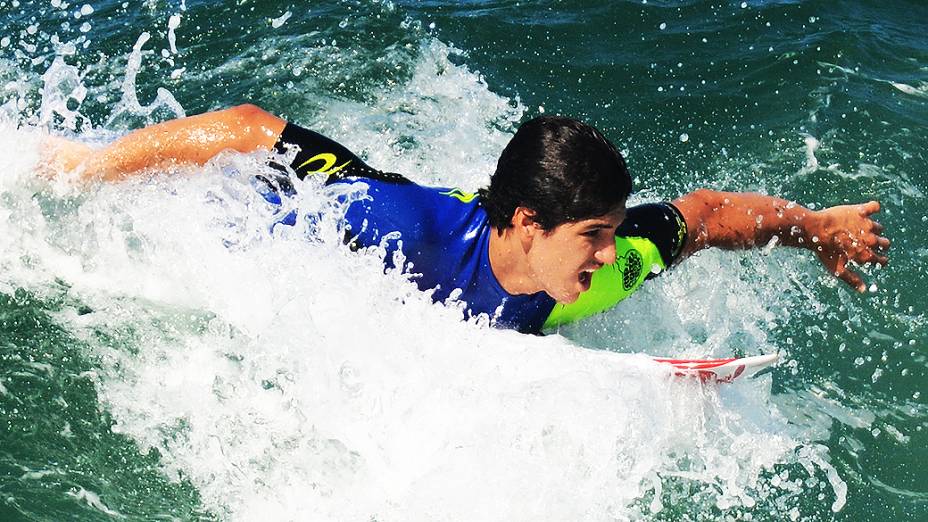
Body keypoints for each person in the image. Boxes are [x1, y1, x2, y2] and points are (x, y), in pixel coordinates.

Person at [42, 104, 890, 333]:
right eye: (592, 236)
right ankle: (74, 157)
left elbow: (704, 217)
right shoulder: (387, 228)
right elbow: (251, 133)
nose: (609, 255)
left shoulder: (597, 276)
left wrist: (815, 227)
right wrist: (87, 179)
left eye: (611, 231)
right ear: (528, 221)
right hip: (346, 204)